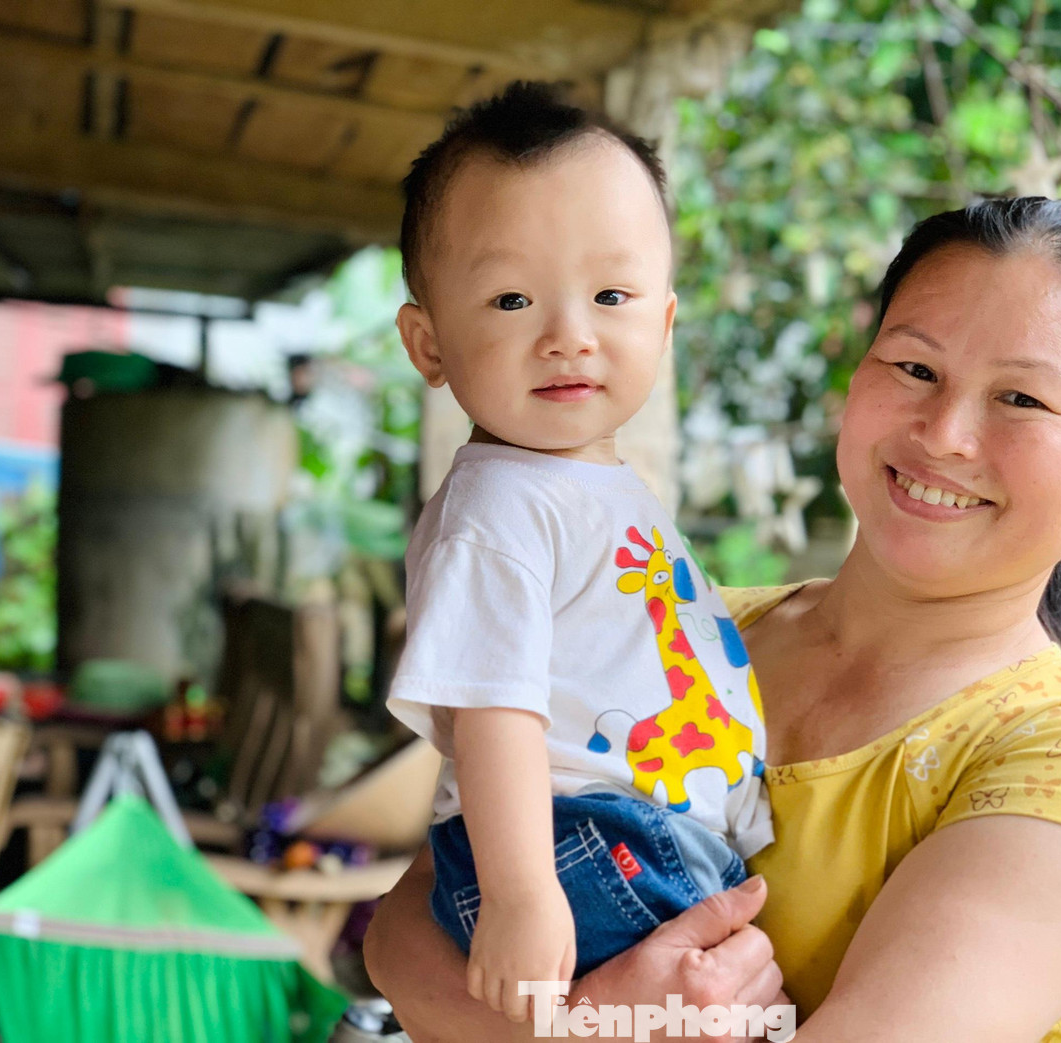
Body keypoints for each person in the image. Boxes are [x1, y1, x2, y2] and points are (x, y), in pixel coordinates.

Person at [367, 196, 1061, 1043]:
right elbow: (403, 930)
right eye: (914, 369)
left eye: (1021, 397)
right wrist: (591, 1029)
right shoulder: (696, 624)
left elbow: (432, 969)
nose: (944, 434)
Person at [386, 82, 774, 1025]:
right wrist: (522, 893)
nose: (569, 334)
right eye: (513, 298)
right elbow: (496, 709)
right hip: (582, 846)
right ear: (429, 341)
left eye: (611, 294)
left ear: (665, 321)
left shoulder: (595, 488)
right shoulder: (500, 505)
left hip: (631, 842)